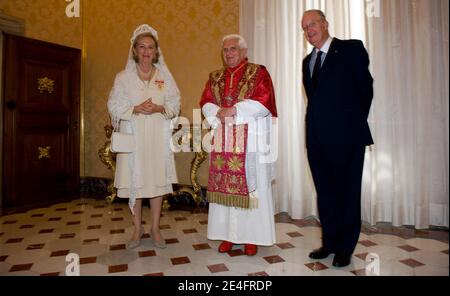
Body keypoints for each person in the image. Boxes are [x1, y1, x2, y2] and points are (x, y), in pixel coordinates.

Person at [301, 10, 374, 267]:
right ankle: (329, 243)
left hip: (347, 137)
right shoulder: (306, 61)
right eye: (305, 28)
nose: (309, 30)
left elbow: (365, 89)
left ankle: (345, 247)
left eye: (312, 24)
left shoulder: (351, 49)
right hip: (317, 140)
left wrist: (350, 125)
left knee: (347, 193)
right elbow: (315, 101)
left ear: (325, 24)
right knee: (326, 193)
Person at [200, 34, 278, 256]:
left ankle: (251, 237)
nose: (229, 53)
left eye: (233, 49)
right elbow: (206, 102)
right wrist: (218, 113)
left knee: (253, 188)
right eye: (225, 50)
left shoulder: (258, 72)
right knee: (224, 187)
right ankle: (228, 235)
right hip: (224, 138)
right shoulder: (215, 77)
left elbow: (264, 102)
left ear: (244, 52)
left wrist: (234, 111)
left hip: (250, 141)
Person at [108, 24, 180, 249]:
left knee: (157, 183)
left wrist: (160, 109)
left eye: (150, 47)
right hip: (133, 137)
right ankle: (137, 229)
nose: (146, 51)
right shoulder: (123, 77)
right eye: (142, 47)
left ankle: (155, 228)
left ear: (156, 51)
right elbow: (113, 104)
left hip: (157, 138)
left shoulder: (164, 77)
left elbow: (175, 102)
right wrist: (135, 109)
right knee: (135, 183)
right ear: (135, 50)